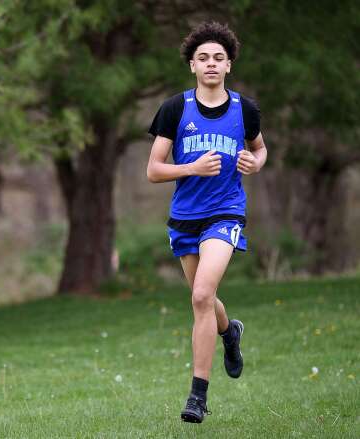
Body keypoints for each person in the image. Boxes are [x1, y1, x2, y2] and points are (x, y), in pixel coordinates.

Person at [147, 21, 267, 424]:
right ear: (193, 67)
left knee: (200, 296)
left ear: (229, 65)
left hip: (226, 211)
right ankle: (229, 333)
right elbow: (154, 170)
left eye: (219, 58)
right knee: (205, 298)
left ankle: (197, 397)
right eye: (203, 58)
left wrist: (254, 162)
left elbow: (260, 149)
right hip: (184, 219)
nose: (211, 64)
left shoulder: (244, 110)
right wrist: (192, 166)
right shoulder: (175, 109)